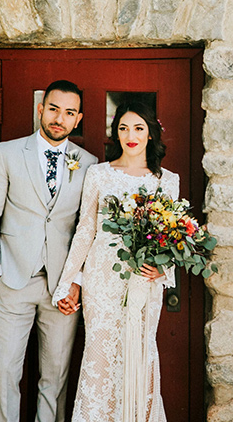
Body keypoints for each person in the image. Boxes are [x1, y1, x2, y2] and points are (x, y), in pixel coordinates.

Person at [0, 80, 98, 422]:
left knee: (54, 379)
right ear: (41, 109)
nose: (60, 118)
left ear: (78, 119)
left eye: (69, 112)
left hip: (62, 287)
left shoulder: (89, 163)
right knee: (6, 376)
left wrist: (77, 282)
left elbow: (90, 230)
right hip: (12, 281)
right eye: (54, 108)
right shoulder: (7, 153)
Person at [53, 100, 177, 422]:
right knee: (100, 354)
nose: (130, 135)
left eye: (138, 128)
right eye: (123, 128)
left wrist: (163, 269)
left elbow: (174, 236)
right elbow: (85, 230)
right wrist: (69, 282)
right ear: (115, 133)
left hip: (143, 282)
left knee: (141, 353)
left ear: (151, 134)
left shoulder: (167, 181)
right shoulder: (99, 174)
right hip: (102, 278)